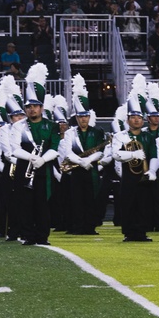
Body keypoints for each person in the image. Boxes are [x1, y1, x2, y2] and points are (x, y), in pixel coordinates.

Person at [9, 65, 62, 246]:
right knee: (25, 204)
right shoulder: (18, 126)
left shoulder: (52, 126)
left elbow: (55, 147)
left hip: (44, 169)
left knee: (43, 205)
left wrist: (43, 159)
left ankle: (42, 236)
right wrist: (32, 158)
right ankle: (28, 236)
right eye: (29, 106)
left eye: (35, 106)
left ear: (41, 107)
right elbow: (14, 149)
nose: (32, 109)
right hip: (24, 167)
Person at [110, 91, 157, 242]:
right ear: (127, 119)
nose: (136, 120)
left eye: (139, 117)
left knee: (144, 204)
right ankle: (129, 233)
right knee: (128, 203)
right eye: (133, 117)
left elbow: (154, 155)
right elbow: (115, 154)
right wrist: (132, 155)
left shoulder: (148, 136)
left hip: (144, 175)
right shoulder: (120, 136)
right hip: (128, 175)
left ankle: (142, 232)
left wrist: (153, 171)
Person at [63, 77, 107, 236]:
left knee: (91, 199)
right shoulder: (70, 133)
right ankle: (77, 227)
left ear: (89, 116)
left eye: (86, 116)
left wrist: (90, 160)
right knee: (76, 200)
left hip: (92, 170)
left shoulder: (97, 132)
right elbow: (68, 152)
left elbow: (101, 151)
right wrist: (82, 162)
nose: (83, 119)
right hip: (76, 170)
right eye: (80, 116)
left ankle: (90, 227)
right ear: (76, 117)